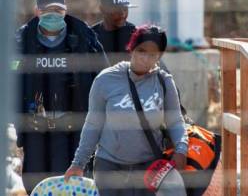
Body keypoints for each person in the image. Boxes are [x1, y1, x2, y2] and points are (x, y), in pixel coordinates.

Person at [65, 25, 188, 196]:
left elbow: (175, 121)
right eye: (141, 51)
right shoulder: (106, 79)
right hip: (109, 167)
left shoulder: (164, 82)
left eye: (152, 55)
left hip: (149, 167)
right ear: (131, 49)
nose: (145, 58)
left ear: (159, 56)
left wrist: (181, 149)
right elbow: (93, 124)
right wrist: (78, 163)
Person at [15, 0, 109, 193]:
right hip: (35, 128)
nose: (53, 15)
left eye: (58, 10)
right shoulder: (21, 41)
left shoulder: (83, 37)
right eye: (47, 10)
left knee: (74, 184)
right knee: (36, 185)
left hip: (74, 128)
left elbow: (104, 78)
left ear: (65, 10)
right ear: (37, 11)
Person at [92, 0, 137, 65]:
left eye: (125, 9)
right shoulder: (91, 36)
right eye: (117, 10)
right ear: (102, 9)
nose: (123, 14)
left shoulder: (137, 35)